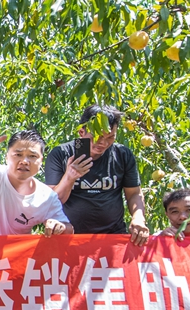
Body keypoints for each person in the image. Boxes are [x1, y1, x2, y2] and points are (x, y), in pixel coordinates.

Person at [45, 105, 150, 246]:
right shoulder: (61, 154)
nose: (104, 143)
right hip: (71, 238)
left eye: (110, 137)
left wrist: (138, 218)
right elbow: (52, 202)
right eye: (98, 137)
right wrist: (69, 177)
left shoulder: (122, 154)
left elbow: (134, 193)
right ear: (81, 132)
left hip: (113, 237)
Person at [0, 130, 71, 236]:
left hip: (17, 247)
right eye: (18, 154)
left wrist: (59, 226)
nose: (24, 161)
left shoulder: (47, 197)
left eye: (32, 156)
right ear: (7, 157)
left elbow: (68, 230)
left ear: (41, 160)